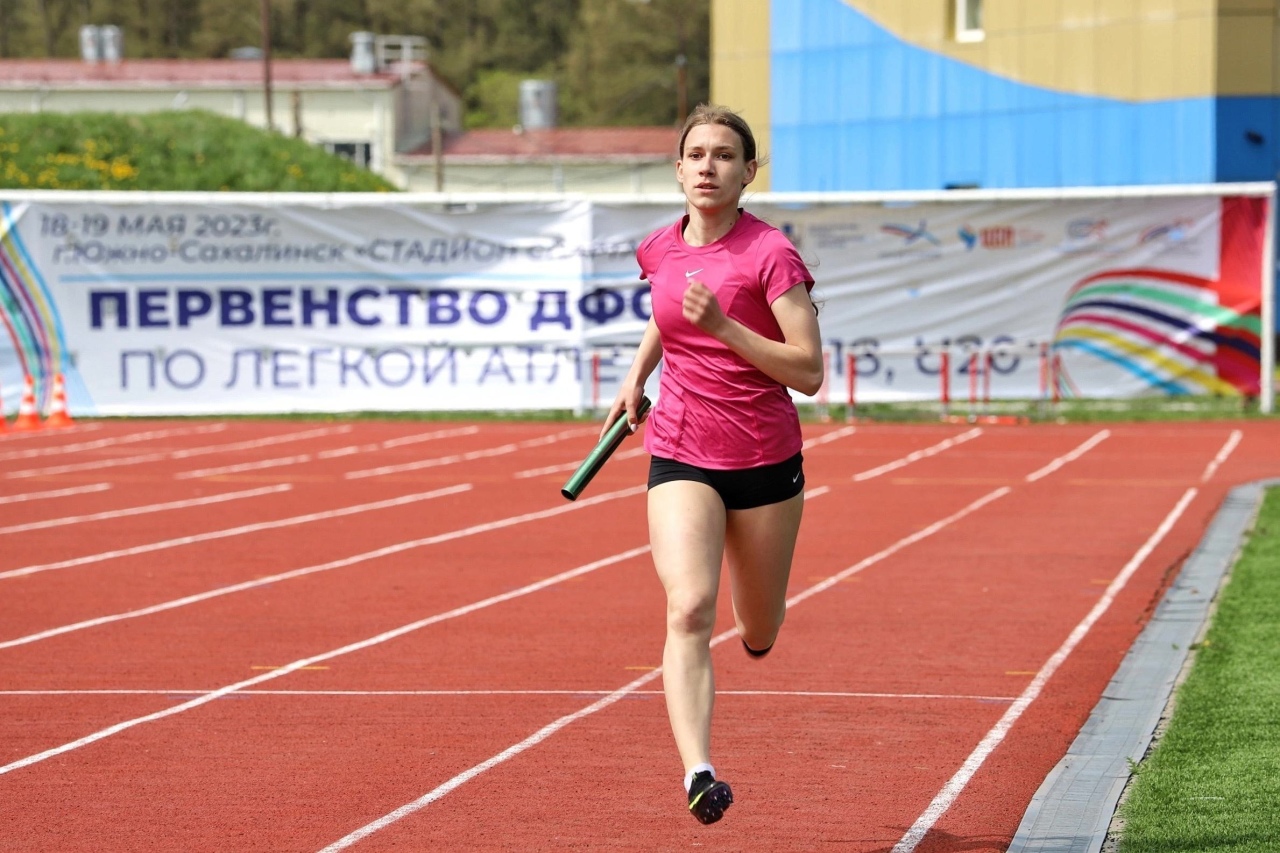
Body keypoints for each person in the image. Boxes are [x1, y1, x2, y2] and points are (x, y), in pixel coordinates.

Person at [603, 103, 823, 825]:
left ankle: (757, 630)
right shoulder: (660, 248)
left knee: (757, 625)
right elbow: (665, 313)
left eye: (724, 155)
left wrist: (725, 327)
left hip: (764, 459)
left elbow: (809, 371)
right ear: (678, 169)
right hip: (681, 448)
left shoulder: (771, 256)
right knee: (689, 606)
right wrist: (638, 373)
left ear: (747, 172)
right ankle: (699, 769)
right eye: (696, 154)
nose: (708, 166)